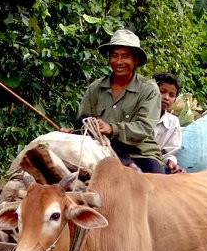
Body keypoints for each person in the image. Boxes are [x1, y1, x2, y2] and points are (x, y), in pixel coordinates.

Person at [75, 29, 165, 174]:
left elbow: (144, 127)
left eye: (125, 56)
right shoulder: (95, 88)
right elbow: (84, 123)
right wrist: (72, 132)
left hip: (139, 153)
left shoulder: (148, 89)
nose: (118, 61)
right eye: (114, 55)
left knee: (157, 182)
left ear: (135, 60)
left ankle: (130, 164)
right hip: (101, 149)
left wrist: (112, 128)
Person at [152, 72, 184, 174]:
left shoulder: (173, 122)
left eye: (171, 95)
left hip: (155, 163)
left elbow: (170, 152)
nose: (166, 98)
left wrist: (171, 162)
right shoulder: (138, 113)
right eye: (162, 92)